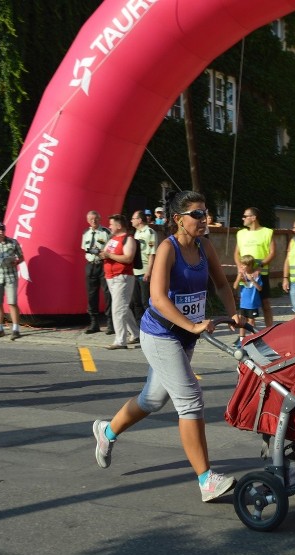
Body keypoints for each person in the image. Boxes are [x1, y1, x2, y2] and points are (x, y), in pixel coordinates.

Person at [92, 190, 242, 502]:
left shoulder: (204, 246)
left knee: (152, 399)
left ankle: (107, 432)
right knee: (190, 400)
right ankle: (206, 479)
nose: (204, 219)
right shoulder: (167, 248)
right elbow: (157, 298)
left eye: (205, 213)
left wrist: (234, 314)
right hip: (160, 334)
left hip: (185, 336)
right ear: (178, 220)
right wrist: (192, 325)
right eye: (197, 215)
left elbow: (221, 284)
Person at [99, 214, 140, 350]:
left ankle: (120, 340)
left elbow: (128, 258)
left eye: (111, 224)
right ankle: (135, 333)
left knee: (118, 309)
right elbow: (106, 253)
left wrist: (109, 255)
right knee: (123, 307)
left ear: (119, 225)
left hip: (122, 277)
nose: (109, 226)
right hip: (111, 277)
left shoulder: (128, 239)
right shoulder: (112, 239)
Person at [234, 207, 276, 327]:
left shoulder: (267, 232)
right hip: (244, 276)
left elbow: (272, 253)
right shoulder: (241, 233)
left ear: (253, 218)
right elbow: (236, 253)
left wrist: (259, 266)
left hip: (260, 274)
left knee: (265, 303)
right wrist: (239, 268)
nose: (243, 218)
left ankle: (270, 332)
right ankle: (245, 336)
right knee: (245, 306)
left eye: (245, 216)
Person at [82, 210, 114, 335]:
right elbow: (85, 249)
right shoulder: (86, 233)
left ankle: (110, 323)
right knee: (91, 295)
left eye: (95, 219)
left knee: (107, 294)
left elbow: (111, 247)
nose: (93, 221)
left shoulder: (106, 232)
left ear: (99, 219)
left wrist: (100, 252)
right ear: (88, 220)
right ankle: (94, 323)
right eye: (91, 219)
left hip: (103, 265)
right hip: (91, 265)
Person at [129, 210, 156, 321]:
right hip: (135, 271)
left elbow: (152, 253)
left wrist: (149, 271)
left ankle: (151, 324)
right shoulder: (136, 233)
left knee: (146, 302)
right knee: (136, 301)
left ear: (139, 220)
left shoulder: (149, 232)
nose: (131, 221)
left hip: (144, 271)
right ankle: (139, 326)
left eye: (133, 219)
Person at [233, 254, 262, 347]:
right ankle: (241, 339)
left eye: (244, 265)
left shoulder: (256, 275)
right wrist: (239, 278)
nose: (242, 267)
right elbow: (235, 286)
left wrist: (252, 280)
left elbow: (260, 288)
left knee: (251, 322)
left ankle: (253, 339)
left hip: (252, 303)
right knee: (242, 321)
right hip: (243, 303)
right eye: (241, 265)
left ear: (250, 266)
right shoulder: (242, 275)